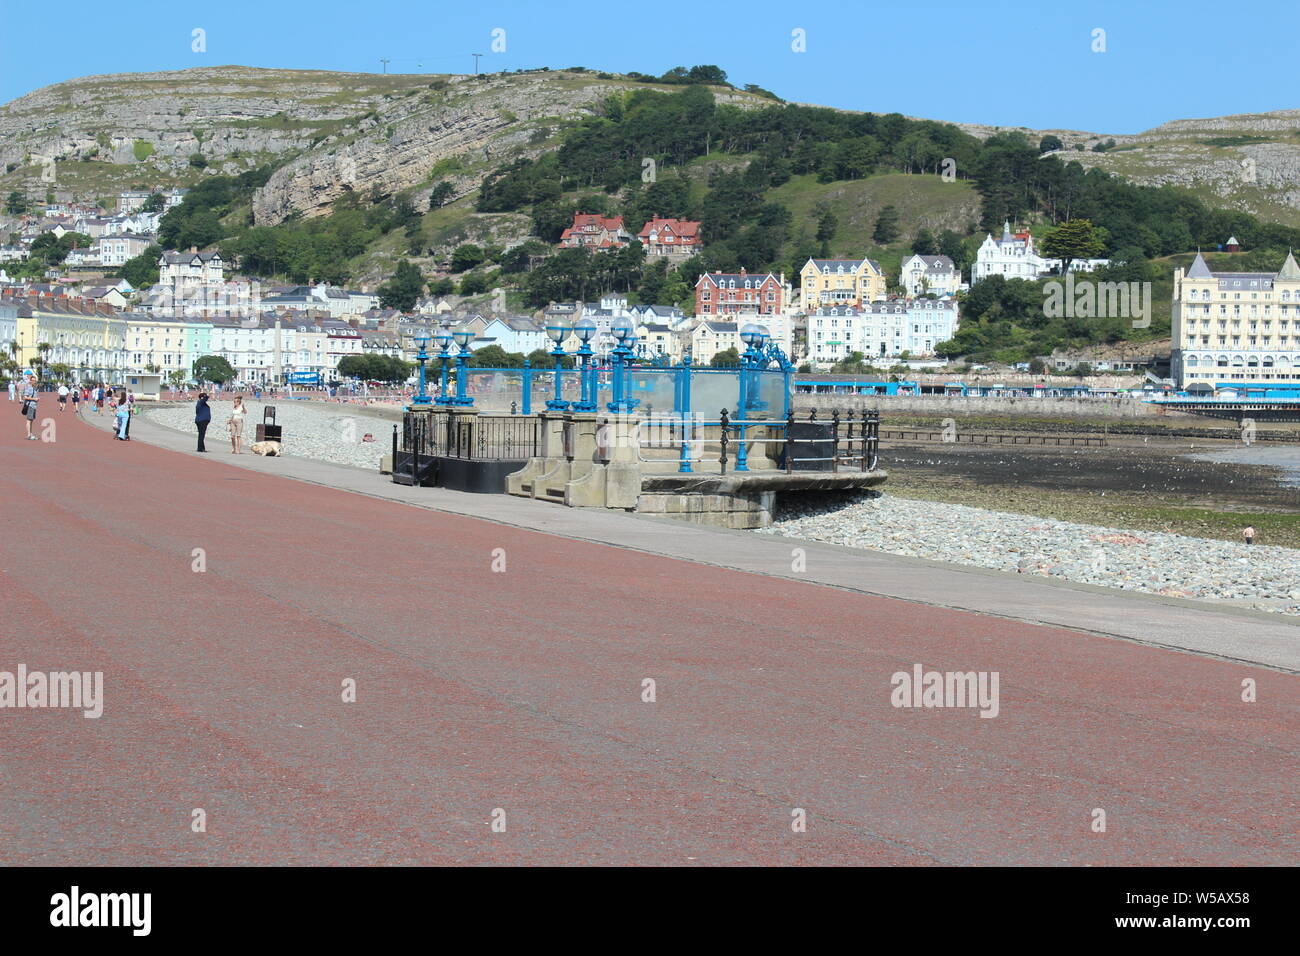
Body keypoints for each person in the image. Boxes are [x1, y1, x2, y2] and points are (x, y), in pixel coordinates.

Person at [20, 375, 38, 440]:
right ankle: (29, 435)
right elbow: (25, 397)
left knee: (31, 420)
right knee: (29, 420)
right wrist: (34, 399)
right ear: (30, 381)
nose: (34, 381)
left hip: (34, 406)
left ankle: (30, 433)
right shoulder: (28, 388)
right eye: (32, 380)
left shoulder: (34, 388)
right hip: (30, 405)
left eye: (35, 380)